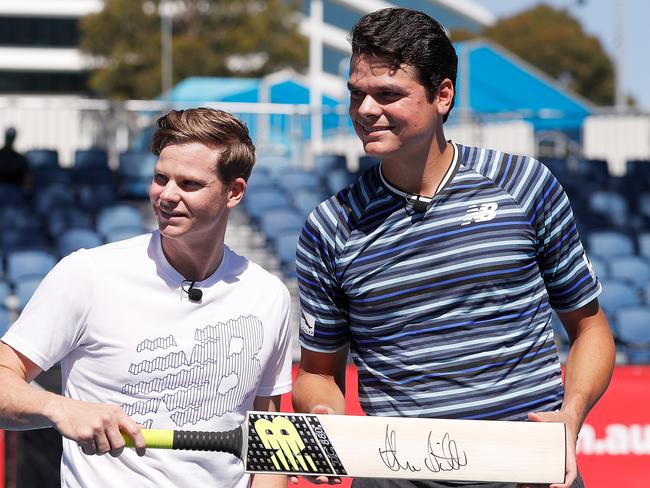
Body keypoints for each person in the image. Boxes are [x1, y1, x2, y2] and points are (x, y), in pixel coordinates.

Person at [292, 8, 615, 488]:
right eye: (356, 93)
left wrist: (571, 416)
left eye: (387, 94)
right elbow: (318, 373)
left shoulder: (525, 184)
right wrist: (320, 416)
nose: (364, 109)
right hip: (394, 478)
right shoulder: (328, 226)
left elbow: (590, 329)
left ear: (442, 96)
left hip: (529, 471)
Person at [0, 108, 292, 488]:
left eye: (189, 184)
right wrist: (57, 407)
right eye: (160, 178)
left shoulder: (268, 295)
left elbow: (267, 440)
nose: (166, 195)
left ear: (233, 192)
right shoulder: (87, 274)